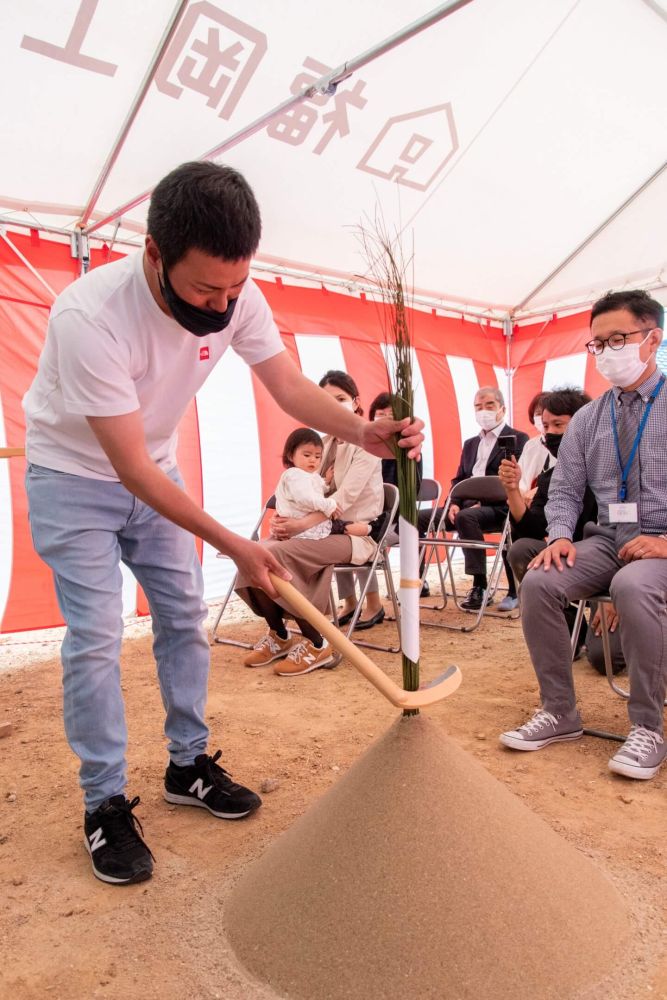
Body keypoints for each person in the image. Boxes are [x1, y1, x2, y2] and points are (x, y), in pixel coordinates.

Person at [23, 161, 423, 886]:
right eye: (206, 288)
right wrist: (238, 545)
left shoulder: (239, 291)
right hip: (74, 477)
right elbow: (130, 470)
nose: (223, 302)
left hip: (154, 469)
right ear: (154, 253)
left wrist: (361, 433)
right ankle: (102, 803)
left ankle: (188, 765)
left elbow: (288, 384)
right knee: (96, 638)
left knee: (181, 615)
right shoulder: (89, 316)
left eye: (234, 288)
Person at [499, 289, 666, 781]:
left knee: (633, 586)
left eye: (619, 339)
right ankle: (560, 712)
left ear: (652, 339)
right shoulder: (590, 418)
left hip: (659, 542)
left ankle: (648, 728)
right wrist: (557, 537)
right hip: (608, 538)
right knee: (539, 581)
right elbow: (567, 490)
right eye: (598, 343)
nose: (607, 351)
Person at [237, 370, 386, 666]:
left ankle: (317, 643)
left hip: (353, 536)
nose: (332, 405)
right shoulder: (324, 442)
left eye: (340, 399)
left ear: (356, 402)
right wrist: (284, 521)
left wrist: (301, 525)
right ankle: (279, 635)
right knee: (253, 552)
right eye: (326, 400)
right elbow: (307, 491)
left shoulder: (367, 444)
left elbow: (341, 500)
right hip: (319, 532)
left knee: (275, 553)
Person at [499, 388, 624, 674]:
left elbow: (629, 536)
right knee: (522, 550)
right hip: (575, 563)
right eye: (545, 426)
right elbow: (532, 528)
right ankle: (569, 624)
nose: (550, 433)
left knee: (606, 661)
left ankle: (632, 617)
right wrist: (512, 490)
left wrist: (619, 593)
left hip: (617, 565)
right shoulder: (554, 477)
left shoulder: (616, 473)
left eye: (559, 424)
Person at [448, 386, 528, 612]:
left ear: (502, 408)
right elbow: (460, 478)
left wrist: (481, 502)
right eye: (478, 406)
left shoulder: (518, 439)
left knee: (467, 518)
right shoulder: (470, 444)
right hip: (466, 507)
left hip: (500, 508)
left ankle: (480, 586)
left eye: (489, 405)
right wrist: (453, 503)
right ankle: (416, 582)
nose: (483, 411)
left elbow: (514, 481)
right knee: (417, 519)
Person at [274, 428, 370, 540]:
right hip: (303, 525)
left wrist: (326, 482)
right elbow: (306, 498)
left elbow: (315, 488)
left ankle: (371, 530)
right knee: (345, 527)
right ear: (290, 456)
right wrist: (329, 505)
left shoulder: (308, 474)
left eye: (317, 457)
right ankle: (372, 529)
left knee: (345, 526)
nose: (312, 460)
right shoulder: (294, 475)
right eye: (307, 455)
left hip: (305, 522)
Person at [518, 391, 555, 496]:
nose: (543, 417)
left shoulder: (569, 444)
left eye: (546, 412)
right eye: (538, 413)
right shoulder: (530, 445)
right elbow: (521, 480)